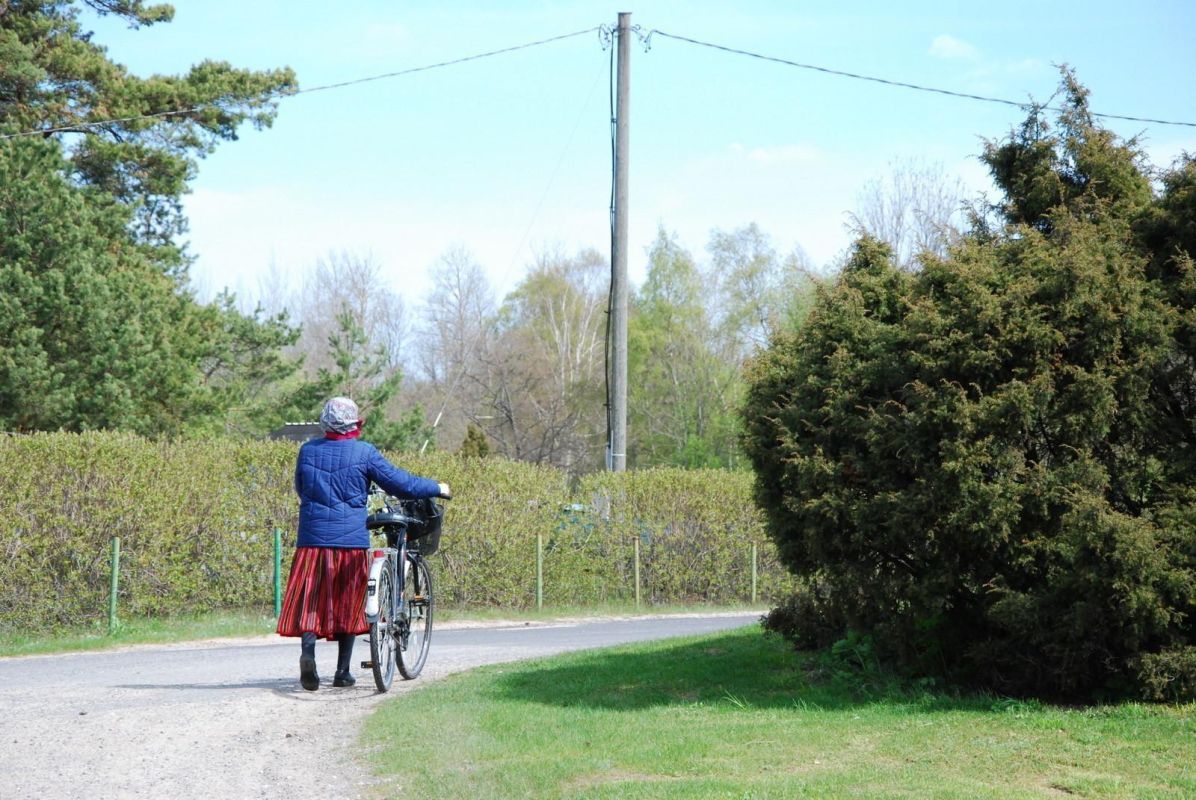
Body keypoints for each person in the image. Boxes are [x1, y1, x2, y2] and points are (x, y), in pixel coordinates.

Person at [276, 396, 450, 690]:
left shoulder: (307, 451)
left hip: (312, 540)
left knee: (311, 600)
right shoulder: (364, 452)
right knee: (348, 602)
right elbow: (401, 484)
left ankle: (308, 654)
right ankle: (342, 672)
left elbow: (301, 489)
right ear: (353, 423)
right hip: (350, 541)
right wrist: (437, 486)